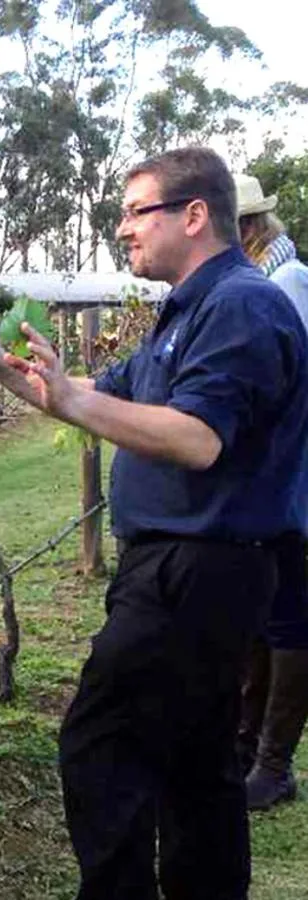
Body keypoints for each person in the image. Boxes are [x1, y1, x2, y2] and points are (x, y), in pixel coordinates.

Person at [0, 146, 308, 899]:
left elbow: (196, 438)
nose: (122, 229)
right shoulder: (186, 310)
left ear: (195, 214)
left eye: (135, 211)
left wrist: (74, 401)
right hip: (187, 569)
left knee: (99, 747)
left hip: (195, 570)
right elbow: (89, 392)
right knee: (195, 762)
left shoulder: (241, 304)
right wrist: (4, 368)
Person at [234, 173, 308, 810]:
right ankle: (248, 746)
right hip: (275, 481)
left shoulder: (286, 286)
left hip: (295, 481)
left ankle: (274, 764)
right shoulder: (267, 283)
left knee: (289, 618)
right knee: (265, 611)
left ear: (245, 229)